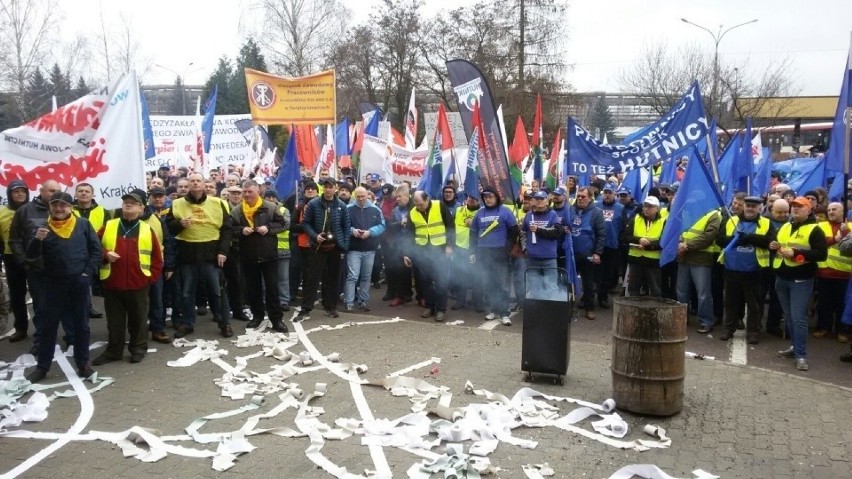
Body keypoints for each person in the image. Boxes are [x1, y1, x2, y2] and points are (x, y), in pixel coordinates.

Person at [24, 192, 101, 383]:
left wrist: (86, 274)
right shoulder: (43, 227)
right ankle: (42, 367)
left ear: (71, 207)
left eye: (63, 205)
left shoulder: (82, 224)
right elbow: (31, 255)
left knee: (81, 326)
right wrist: (37, 240)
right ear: (50, 207)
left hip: (78, 282)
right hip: (53, 283)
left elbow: (96, 250)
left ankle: (83, 365)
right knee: (48, 326)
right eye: (55, 205)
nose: (59, 209)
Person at [92, 191, 164, 365]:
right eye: (126, 202)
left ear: (141, 208)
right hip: (112, 283)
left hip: (138, 284)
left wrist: (149, 278)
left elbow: (157, 257)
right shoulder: (109, 225)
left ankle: (138, 348)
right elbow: (93, 246)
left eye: (133, 202)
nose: (128, 204)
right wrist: (105, 254)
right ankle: (113, 351)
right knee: (114, 322)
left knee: (138, 320)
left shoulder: (147, 229)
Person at [166, 172, 235, 338]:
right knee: (187, 293)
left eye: (198, 181)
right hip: (187, 255)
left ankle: (224, 323)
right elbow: (169, 227)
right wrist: (179, 224)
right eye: (192, 181)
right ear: (187, 185)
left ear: (204, 184)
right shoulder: (176, 204)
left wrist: (222, 251)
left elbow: (227, 230)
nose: (195, 184)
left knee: (217, 291)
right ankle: (188, 324)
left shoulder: (218, 203)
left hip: (211, 254)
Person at [771, 196, 827, 372]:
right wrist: (773, 246)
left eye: (800, 207)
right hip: (782, 278)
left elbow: (821, 255)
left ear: (809, 210)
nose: (795, 209)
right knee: (789, 317)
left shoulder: (815, 229)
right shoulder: (786, 226)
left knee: (798, 318)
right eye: (793, 206)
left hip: (800, 281)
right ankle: (795, 348)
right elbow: (780, 246)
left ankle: (801, 355)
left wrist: (796, 254)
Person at [9, 180, 61, 353]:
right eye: (51, 190)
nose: (55, 194)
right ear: (41, 190)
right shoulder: (25, 211)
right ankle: (42, 341)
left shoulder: (64, 209)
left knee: (66, 305)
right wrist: (25, 261)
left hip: (60, 268)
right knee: (41, 307)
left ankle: (72, 337)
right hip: (37, 269)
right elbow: (15, 239)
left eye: (58, 191)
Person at [716, 196, 775, 344]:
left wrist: (749, 237)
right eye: (748, 205)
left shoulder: (766, 223)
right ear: (743, 206)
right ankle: (728, 329)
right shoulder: (731, 220)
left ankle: (753, 332)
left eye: (754, 206)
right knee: (730, 303)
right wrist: (735, 239)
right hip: (731, 269)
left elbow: (770, 242)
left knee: (754, 305)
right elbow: (719, 240)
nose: (750, 208)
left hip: (754, 271)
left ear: (760, 208)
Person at [231, 180, 288, 332]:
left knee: (272, 289)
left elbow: (283, 224)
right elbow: (230, 229)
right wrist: (241, 230)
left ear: (258, 192)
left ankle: (277, 319)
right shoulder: (237, 211)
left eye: (250, 192)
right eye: (245, 192)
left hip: (269, 256)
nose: (247, 195)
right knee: (253, 289)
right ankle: (257, 316)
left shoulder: (270, 207)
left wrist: (268, 228)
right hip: (248, 256)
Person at [294, 177, 351, 321]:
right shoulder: (313, 204)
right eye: (326, 187)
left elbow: (346, 227)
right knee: (312, 278)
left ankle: (330, 306)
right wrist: (314, 236)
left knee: (332, 278)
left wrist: (343, 245)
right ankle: (306, 308)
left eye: (331, 187)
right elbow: (305, 224)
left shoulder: (342, 206)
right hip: (317, 247)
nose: (328, 189)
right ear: (323, 189)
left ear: (335, 189)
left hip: (335, 247)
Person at [403, 191, 455, 322]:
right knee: (425, 281)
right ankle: (430, 306)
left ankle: (441, 309)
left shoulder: (440, 206)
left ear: (427, 200)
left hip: (440, 249)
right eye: (416, 205)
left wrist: (450, 245)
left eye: (421, 204)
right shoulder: (413, 211)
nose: (419, 207)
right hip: (422, 251)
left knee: (441, 281)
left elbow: (450, 226)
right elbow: (409, 234)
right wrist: (407, 253)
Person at [469, 188, 518, 325]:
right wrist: (472, 252)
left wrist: (507, 248)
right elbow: (473, 234)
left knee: (502, 283)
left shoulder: (505, 211)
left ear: (496, 197)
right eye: (485, 197)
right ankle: (494, 311)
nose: (488, 199)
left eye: (491, 197)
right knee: (489, 283)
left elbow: (514, 231)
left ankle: (504, 313)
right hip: (483, 252)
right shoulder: (479, 213)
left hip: (500, 252)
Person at [676, 203, 721, 334]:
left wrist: (686, 245)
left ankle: (706, 321)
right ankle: (682, 318)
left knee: (703, 293)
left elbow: (708, 237)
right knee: (681, 291)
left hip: (701, 259)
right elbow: (678, 229)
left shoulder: (713, 215)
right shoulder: (686, 213)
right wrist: (679, 243)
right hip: (683, 257)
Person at [813, 202, 851, 342]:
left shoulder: (850, 227)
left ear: (843, 212)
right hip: (824, 273)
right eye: (829, 209)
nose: (831, 212)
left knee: (842, 304)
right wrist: (834, 239)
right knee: (824, 303)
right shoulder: (821, 226)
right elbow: (818, 243)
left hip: (844, 273)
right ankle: (823, 327)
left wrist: (847, 233)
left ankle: (842, 331)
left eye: (834, 209)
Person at [344, 187, 386, 311]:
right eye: (358, 196)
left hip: (370, 248)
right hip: (354, 248)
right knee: (352, 276)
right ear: (354, 196)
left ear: (368, 195)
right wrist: (352, 231)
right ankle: (349, 301)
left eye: (363, 196)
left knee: (366, 276)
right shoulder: (348, 209)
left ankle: (363, 301)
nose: (361, 199)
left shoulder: (376, 209)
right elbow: (343, 225)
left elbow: (382, 225)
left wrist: (370, 232)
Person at [0, 180, 31, 343]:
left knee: (39, 295)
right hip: (11, 258)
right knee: (17, 296)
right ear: (9, 194)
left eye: (23, 191)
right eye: (16, 191)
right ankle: (21, 328)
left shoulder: (33, 210)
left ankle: (43, 329)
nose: (20, 194)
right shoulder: (1, 212)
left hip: (33, 257)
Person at [569, 186, 605, 319]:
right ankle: (569, 307)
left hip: (587, 254)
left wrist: (597, 253)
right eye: (578, 196)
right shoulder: (571, 209)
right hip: (571, 254)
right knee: (569, 282)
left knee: (588, 283)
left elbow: (601, 234)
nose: (580, 199)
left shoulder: (596, 212)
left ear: (590, 198)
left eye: (583, 196)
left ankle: (589, 308)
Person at [621, 196, 666, 297]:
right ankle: (634, 310)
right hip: (636, 259)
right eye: (645, 206)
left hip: (653, 261)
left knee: (655, 290)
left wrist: (648, 246)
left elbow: (664, 242)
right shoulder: (636, 219)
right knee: (633, 288)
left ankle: (654, 311)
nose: (646, 209)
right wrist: (639, 240)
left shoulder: (663, 222)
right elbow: (625, 237)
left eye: (650, 206)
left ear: (657, 208)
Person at [522, 190, 562, 299]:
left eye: (542, 199)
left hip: (548, 258)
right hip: (532, 258)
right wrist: (525, 248)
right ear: (533, 201)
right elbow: (523, 233)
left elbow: (557, 232)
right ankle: (536, 312)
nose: (539, 201)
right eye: (537, 199)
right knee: (534, 287)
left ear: (547, 201)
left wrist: (539, 230)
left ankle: (551, 313)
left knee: (551, 287)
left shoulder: (553, 215)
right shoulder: (529, 215)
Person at [450, 193, 483, 310]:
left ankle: (478, 302)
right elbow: (451, 227)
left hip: (475, 249)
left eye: (475, 198)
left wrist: (473, 224)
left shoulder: (482, 212)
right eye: (470, 197)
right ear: (466, 199)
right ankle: (460, 300)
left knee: (477, 277)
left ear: (479, 200)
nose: (472, 200)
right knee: (460, 276)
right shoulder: (458, 210)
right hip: (459, 248)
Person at [595, 183, 624, 308]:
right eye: (605, 192)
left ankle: (603, 297)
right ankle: (591, 296)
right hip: (597, 245)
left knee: (608, 273)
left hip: (612, 245)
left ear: (614, 194)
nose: (607, 195)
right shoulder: (596, 206)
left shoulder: (620, 208)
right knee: (595, 272)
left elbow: (623, 226)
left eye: (610, 193)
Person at [387, 186, 416, 306]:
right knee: (400, 271)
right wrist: (400, 223)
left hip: (414, 243)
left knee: (418, 272)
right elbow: (390, 226)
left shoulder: (415, 208)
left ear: (407, 195)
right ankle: (402, 295)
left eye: (399, 196)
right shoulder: (395, 210)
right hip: (399, 244)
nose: (397, 199)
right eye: (396, 197)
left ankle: (421, 297)